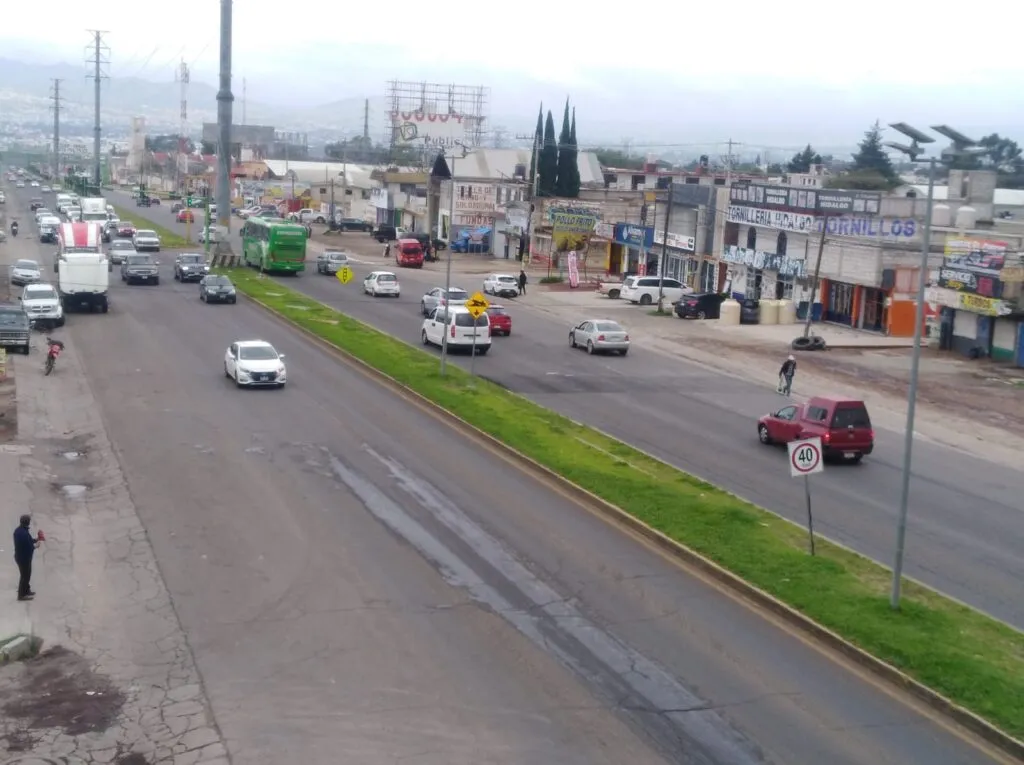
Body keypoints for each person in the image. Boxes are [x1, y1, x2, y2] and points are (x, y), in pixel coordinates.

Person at [14, 514, 41, 601]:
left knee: (26, 575)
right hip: (24, 559)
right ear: (28, 522)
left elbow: (28, 541)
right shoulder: (24, 534)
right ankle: (21, 595)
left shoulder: (19, 530)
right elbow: (29, 547)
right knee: (25, 576)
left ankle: (26, 590)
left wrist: (36, 539)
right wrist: (36, 546)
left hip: (19, 557)